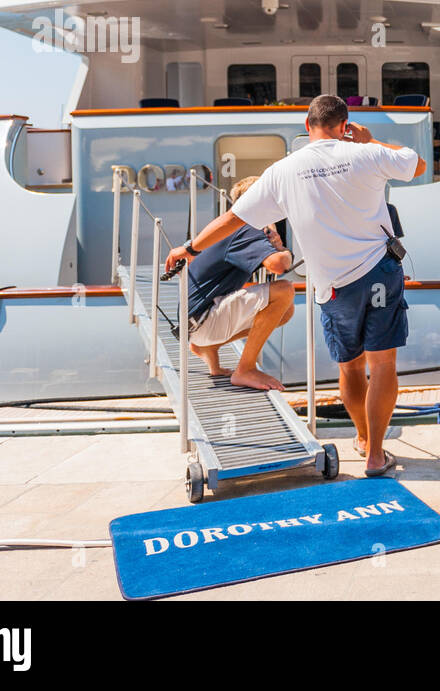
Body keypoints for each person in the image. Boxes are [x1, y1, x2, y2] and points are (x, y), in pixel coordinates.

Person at [165, 94, 425, 477]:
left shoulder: (283, 170)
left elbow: (233, 220)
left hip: (332, 287)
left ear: (308, 126)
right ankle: (375, 455)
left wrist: (188, 247)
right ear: (345, 126)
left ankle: (365, 439)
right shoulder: (366, 154)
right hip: (377, 273)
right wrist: (369, 140)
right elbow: (416, 164)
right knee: (382, 363)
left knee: (351, 368)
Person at [183, 175, 295, 392]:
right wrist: (283, 250)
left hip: (194, 321)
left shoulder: (233, 228)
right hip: (203, 318)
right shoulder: (249, 227)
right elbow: (278, 266)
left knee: (285, 312)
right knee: (284, 290)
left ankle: (208, 348)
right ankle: (245, 369)